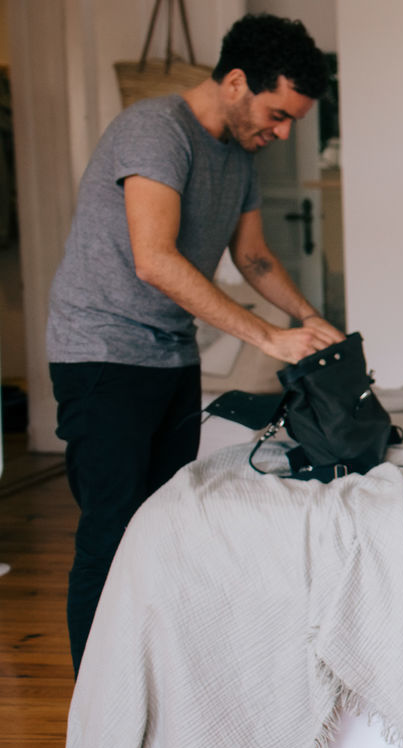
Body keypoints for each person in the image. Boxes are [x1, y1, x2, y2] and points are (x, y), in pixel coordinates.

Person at [46, 13, 345, 677]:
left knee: (166, 521)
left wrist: (311, 322)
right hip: (101, 354)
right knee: (112, 528)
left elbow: (255, 257)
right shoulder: (156, 131)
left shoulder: (239, 156)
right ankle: (98, 701)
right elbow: (154, 259)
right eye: (277, 113)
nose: (284, 131)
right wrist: (268, 335)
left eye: (293, 119)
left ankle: (154, 674)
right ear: (235, 82)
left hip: (168, 353)